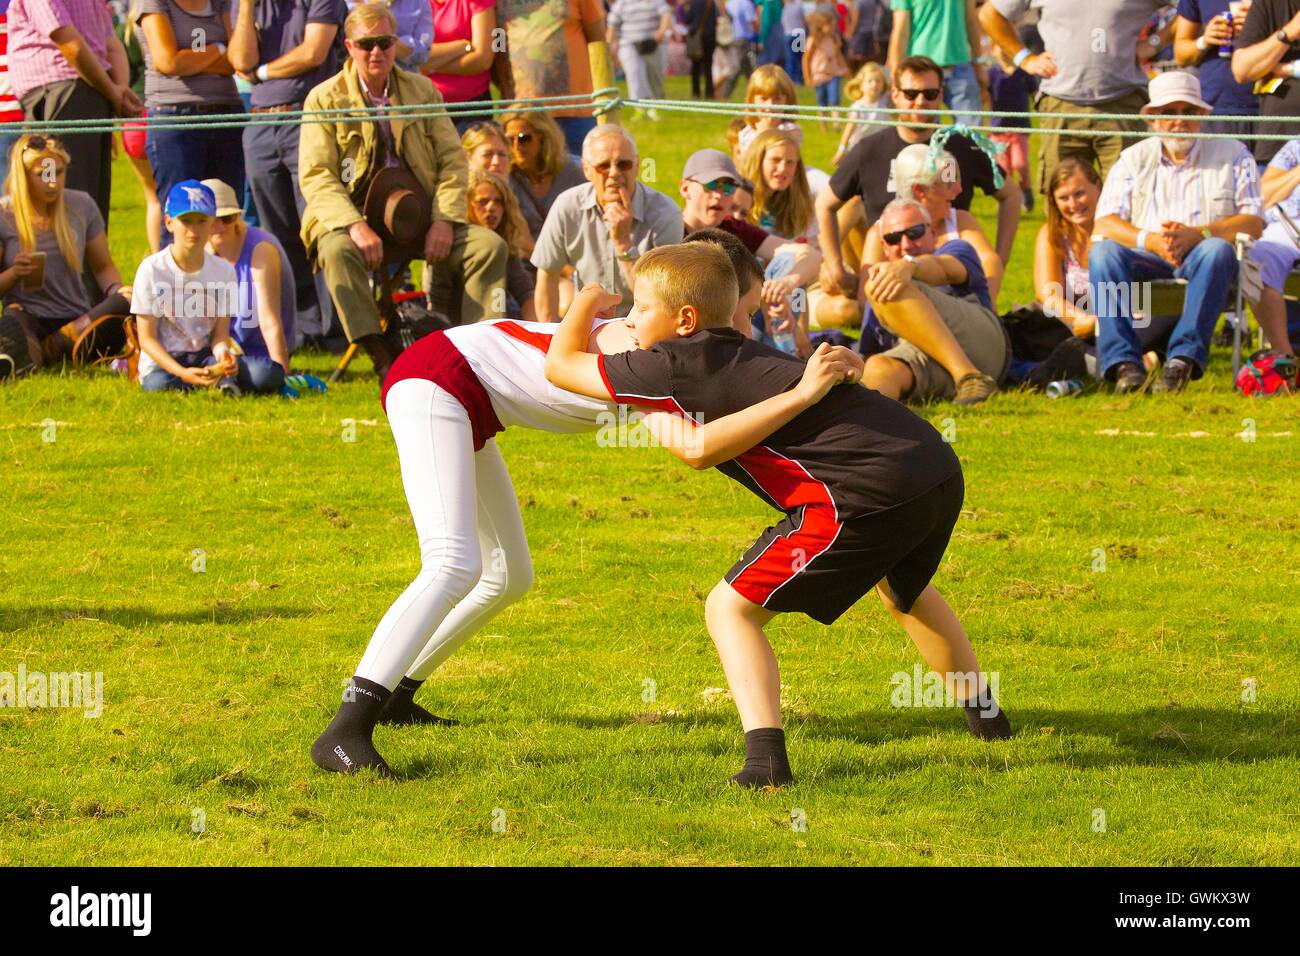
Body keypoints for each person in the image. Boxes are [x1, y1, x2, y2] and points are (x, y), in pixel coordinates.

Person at [307, 243, 860, 774]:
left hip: (468, 396)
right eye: (743, 314)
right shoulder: (646, 353)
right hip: (436, 379)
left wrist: (835, 368)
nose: (746, 331)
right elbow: (694, 443)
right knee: (453, 564)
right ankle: (346, 728)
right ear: (694, 315)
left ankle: (398, 695)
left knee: (509, 576)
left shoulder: (677, 348)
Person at [544, 245, 1011, 788]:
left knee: (729, 610)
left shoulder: (668, 363)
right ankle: (990, 722)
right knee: (902, 586)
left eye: (640, 309)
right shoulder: (740, 349)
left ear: (685, 321)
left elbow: (559, 366)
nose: (630, 320)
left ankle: (766, 762)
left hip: (863, 490)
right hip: (933, 466)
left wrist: (586, 301)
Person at [299, 2, 507, 381]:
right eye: (366, 45)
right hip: (354, 218)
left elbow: (452, 161)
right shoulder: (324, 98)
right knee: (335, 250)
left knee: (487, 247)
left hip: (420, 215)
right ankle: (382, 356)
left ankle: (479, 357)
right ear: (349, 46)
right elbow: (316, 176)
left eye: (385, 42)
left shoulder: (422, 91)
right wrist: (352, 225)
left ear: (397, 44)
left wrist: (444, 219)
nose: (376, 52)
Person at [1091, 71, 1263, 394]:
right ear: (1154, 120)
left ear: (1201, 116)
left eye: (1189, 112)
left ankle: (1181, 362)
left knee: (1216, 250)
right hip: (1146, 257)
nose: (1179, 121)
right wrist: (1152, 240)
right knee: (1102, 252)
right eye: (1169, 113)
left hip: (1207, 260)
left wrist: (1200, 233)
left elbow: (1253, 221)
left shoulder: (1235, 153)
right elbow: (1104, 222)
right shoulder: (1132, 159)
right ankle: (1124, 366)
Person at [816, 56, 1020, 297]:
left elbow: (1011, 195)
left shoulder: (963, 147)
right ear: (895, 95)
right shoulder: (869, 149)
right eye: (911, 94)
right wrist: (835, 267)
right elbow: (825, 204)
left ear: (941, 96)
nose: (921, 102)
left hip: (950, 272)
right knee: (844, 309)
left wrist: (999, 262)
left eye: (930, 94)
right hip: (889, 270)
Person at [227, 0, 342, 347]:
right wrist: (246, 8)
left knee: (318, 227)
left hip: (306, 117)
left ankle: (335, 327)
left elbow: (313, 52)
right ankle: (305, 326)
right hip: (261, 120)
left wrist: (262, 73)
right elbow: (240, 61)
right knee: (278, 231)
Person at [980, 0, 1161, 194]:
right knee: (1064, 204)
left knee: (1129, 200)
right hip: (1061, 105)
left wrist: (1156, 41)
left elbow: (1191, 6)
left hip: (1123, 104)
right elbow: (989, 14)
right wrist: (1024, 58)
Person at [0, 135, 132, 367]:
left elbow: (103, 267)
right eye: (43, 175)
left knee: (129, 302)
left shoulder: (82, 204)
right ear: (24, 176)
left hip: (77, 317)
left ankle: (44, 351)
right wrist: (13, 274)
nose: (53, 183)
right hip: (28, 316)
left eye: (58, 173)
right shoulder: (4, 214)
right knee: (13, 317)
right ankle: (57, 350)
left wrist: (116, 291)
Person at [859, 198, 1007, 403]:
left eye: (914, 232)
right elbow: (869, 349)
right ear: (884, 246)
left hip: (983, 344)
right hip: (927, 357)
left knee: (889, 286)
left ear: (933, 233)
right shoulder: (879, 288)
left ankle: (969, 376)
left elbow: (943, 269)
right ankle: (874, 428)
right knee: (877, 367)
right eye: (893, 238)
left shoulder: (957, 250)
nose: (906, 245)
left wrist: (909, 267)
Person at [7, 0, 140, 226]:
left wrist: (117, 93)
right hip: (80, 93)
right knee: (73, 197)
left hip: (62, 96)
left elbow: (71, 43)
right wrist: (118, 91)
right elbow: (107, 43)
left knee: (61, 199)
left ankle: (75, 260)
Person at [531, 125, 683, 321]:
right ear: (586, 169)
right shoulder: (568, 205)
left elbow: (662, 298)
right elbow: (547, 274)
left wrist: (623, 244)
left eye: (624, 164)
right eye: (603, 166)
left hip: (643, 325)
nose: (614, 173)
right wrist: (547, 334)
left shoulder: (665, 214)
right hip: (587, 323)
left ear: (636, 166)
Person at [132, 180, 272, 395]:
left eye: (201, 221)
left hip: (205, 357)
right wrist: (181, 372)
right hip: (164, 364)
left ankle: (215, 380)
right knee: (158, 386)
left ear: (212, 223)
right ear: (169, 222)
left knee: (266, 373)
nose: (193, 230)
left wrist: (223, 355)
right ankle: (214, 383)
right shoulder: (152, 269)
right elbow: (147, 339)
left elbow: (220, 335)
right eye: (186, 221)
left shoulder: (223, 271)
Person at [860, 144, 1003, 301]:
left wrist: (983, 304)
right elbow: (867, 299)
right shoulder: (881, 232)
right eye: (948, 183)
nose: (959, 189)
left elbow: (990, 262)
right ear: (920, 190)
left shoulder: (961, 221)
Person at [496, 0, 618, 155]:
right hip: (521, 115)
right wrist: (505, 90)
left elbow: (598, 42)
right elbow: (497, 44)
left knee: (584, 174)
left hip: (575, 112)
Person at [202, 178, 294, 380]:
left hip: (260, 353)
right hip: (221, 349)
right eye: (210, 220)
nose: (219, 226)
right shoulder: (202, 252)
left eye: (227, 218)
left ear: (237, 217)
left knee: (263, 375)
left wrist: (283, 375)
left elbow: (270, 322)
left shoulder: (261, 249)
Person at [430, 170, 537, 322]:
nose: (491, 207)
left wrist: (533, 334)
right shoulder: (450, 243)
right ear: (466, 204)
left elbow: (526, 293)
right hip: (454, 334)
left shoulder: (503, 246)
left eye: (498, 201)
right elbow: (437, 305)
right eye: (482, 201)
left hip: (495, 331)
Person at [1241, 136, 1300, 358]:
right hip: (1287, 226)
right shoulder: (1296, 147)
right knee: (1258, 257)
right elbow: (1262, 195)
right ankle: (1283, 356)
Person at [888, 0, 985, 126]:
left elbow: (971, 21)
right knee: (922, 130)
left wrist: (978, 63)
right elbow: (900, 31)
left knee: (971, 131)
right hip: (921, 71)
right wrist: (896, 73)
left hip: (960, 67)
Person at [1173, 3, 1257, 139]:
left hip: (1272, 104)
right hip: (1216, 106)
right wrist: (1204, 41)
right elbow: (1180, 55)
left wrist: (1261, 24)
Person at [1230, 0, 1300, 164]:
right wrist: (1289, 32)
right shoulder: (1269, 3)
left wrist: (1288, 69)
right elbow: (1241, 70)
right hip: (1278, 147)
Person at [501, 109, 585, 243]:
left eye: (524, 138)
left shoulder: (575, 171)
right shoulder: (505, 177)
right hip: (525, 260)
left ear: (543, 137)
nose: (516, 146)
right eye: (509, 140)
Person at [422, 0, 497, 134]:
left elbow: (483, 60)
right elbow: (411, 55)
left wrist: (431, 65)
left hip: (472, 108)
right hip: (426, 106)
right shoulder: (412, 4)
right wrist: (462, 46)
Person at [740, 127, 817, 241]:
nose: (782, 169)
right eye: (775, 160)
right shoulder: (737, 198)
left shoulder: (798, 202)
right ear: (758, 160)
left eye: (790, 162)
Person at [608, 0, 674, 117]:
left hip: (653, 44)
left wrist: (660, 34)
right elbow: (612, 24)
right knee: (634, 75)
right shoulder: (622, 3)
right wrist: (607, 47)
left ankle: (655, 106)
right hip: (629, 45)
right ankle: (639, 108)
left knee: (654, 77)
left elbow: (666, 14)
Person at [344, 0, 433, 71]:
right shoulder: (346, 3)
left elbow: (423, 53)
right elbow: (343, 44)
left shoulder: (419, 2)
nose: (376, 51)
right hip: (357, 81)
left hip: (404, 85)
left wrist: (384, 40)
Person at [737, 63, 801, 157]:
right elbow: (747, 165)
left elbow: (782, 158)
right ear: (752, 101)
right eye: (763, 99)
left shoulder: (791, 131)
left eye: (777, 99)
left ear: (787, 101)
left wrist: (766, 133)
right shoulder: (746, 134)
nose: (770, 105)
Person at [833, 61, 890, 163]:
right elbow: (848, 130)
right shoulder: (858, 107)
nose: (874, 84)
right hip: (859, 149)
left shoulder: (885, 103)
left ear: (883, 85)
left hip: (880, 149)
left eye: (878, 81)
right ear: (861, 85)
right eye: (870, 81)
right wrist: (841, 150)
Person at [802, 10, 848, 130]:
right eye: (830, 25)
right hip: (819, 74)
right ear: (821, 26)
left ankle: (836, 123)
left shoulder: (834, 39)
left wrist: (845, 68)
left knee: (834, 97)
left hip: (833, 72)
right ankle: (823, 123)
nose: (833, 28)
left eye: (834, 25)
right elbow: (806, 59)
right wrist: (807, 77)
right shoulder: (813, 40)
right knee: (821, 99)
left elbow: (838, 55)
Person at [685, 0, 718, 99]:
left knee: (696, 67)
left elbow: (687, 19)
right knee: (708, 67)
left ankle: (696, 93)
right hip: (709, 38)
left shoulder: (693, 3)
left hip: (696, 38)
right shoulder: (711, 3)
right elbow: (716, 19)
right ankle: (709, 93)